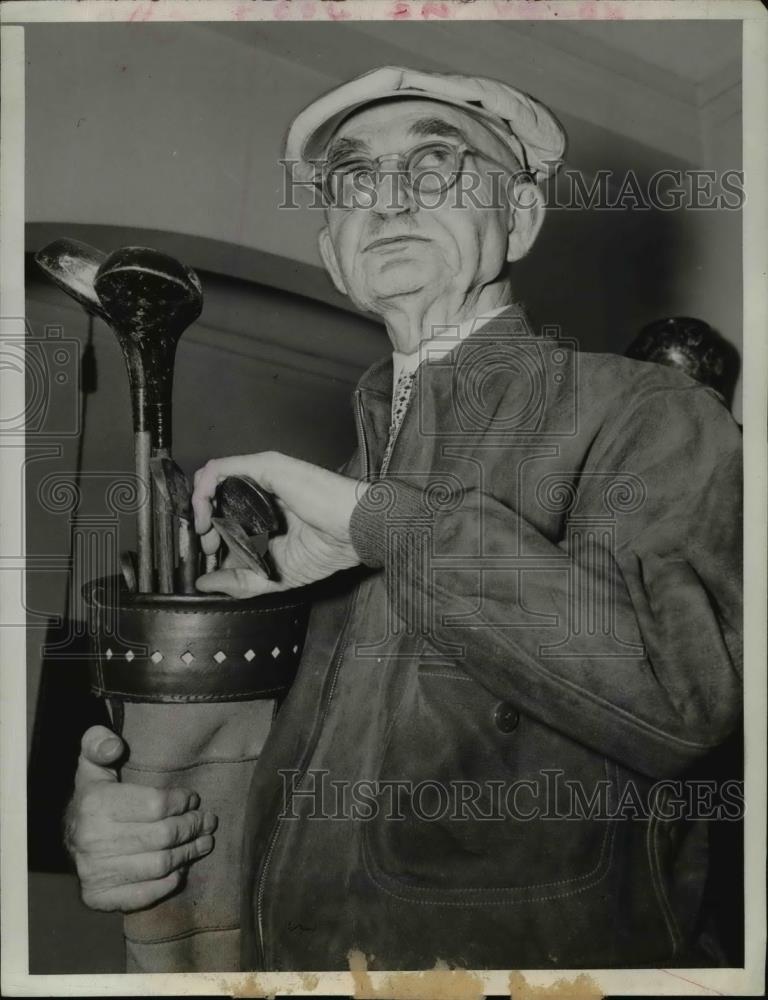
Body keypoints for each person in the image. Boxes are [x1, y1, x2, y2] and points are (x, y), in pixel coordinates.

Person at [66, 66, 743, 971]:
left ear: (522, 219)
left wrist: (381, 522)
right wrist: (131, 831)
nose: (389, 197)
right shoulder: (305, 513)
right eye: (353, 180)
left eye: (437, 163)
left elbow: (682, 696)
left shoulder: (648, 413)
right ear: (336, 251)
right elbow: (235, 781)